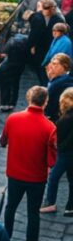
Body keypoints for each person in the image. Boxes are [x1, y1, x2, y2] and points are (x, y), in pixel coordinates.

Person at [0, 86, 56, 241]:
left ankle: (5, 240)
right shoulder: (50, 127)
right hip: (37, 178)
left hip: (15, 174)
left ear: (28, 98)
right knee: (33, 213)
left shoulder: (13, 119)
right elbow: (52, 160)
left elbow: (3, 142)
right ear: (45, 102)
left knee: (10, 207)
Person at [42, 87, 73, 215]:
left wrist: (59, 147)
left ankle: (50, 203)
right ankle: (70, 207)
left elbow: (61, 138)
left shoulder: (66, 118)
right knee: (72, 179)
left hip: (66, 153)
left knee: (54, 177)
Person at [28, 0, 65, 84]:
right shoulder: (42, 16)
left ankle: (46, 86)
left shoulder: (57, 19)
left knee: (44, 69)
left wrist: (32, 46)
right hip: (44, 47)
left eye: (39, 6)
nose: (38, 9)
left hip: (49, 47)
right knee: (41, 69)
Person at [0, 33, 29, 111]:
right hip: (20, 66)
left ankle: (4, 104)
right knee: (15, 84)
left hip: (8, 66)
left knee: (5, 85)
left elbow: (4, 53)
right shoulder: (25, 43)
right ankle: (12, 103)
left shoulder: (12, 41)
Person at [44, 54, 73, 120]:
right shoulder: (62, 79)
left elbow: (48, 104)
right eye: (51, 63)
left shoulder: (60, 82)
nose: (50, 66)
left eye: (55, 64)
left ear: (64, 66)